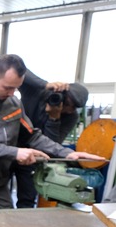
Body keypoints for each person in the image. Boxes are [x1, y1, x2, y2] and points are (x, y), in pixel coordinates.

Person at [0, 54, 103, 211]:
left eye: (16, 89)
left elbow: (32, 135)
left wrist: (67, 153)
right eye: (8, 88)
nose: (12, 94)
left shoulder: (13, 104)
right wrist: (15, 152)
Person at [11, 69, 89, 208]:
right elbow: (18, 68)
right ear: (60, 95)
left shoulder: (71, 117)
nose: (69, 110)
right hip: (9, 148)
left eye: (74, 107)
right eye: (68, 104)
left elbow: (52, 146)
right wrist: (45, 85)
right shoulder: (39, 92)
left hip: (33, 158)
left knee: (27, 200)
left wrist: (54, 118)